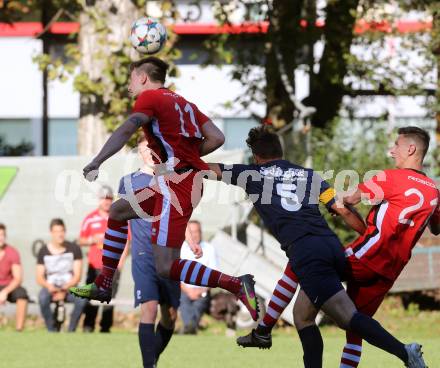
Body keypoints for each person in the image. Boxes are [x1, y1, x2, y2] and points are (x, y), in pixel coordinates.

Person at [208, 126, 428, 368]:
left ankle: (405, 352)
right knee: (302, 316)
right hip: (331, 245)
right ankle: (263, 330)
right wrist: (365, 231)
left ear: (257, 157)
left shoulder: (252, 173)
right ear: (280, 151)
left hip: (308, 251)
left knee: (348, 318)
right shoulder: (309, 176)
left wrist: (174, 160)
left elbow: (207, 170)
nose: (392, 150)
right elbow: (343, 209)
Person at [70, 56, 259, 322]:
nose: (129, 85)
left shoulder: (150, 98)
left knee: (165, 266)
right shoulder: (184, 103)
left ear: (143, 77)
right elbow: (217, 137)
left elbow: (127, 129)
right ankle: (104, 283)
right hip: (173, 182)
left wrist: (97, 160)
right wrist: (187, 157)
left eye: (131, 78)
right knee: (118, 210)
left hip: (176, 186)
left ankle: (236, 284)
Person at [118, 135, 181, 368]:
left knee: (170, 316)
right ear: (140, 152)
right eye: (146, 148)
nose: (151, 152)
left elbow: (179, 214)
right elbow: (120, 221)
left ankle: (151, 360)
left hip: (170, 255)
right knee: (150, 308)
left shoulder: (173, 179)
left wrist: (191, 239)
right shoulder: (129, 181)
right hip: (144, 254)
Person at [78, 185, 120, 333]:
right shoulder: (90, 218)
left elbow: (128, 240)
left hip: (112, 266)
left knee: (109, 298)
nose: (107, 201)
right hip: (94, 265)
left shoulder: (118, 217)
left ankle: (105, 328)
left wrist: (120, 262)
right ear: (99, 200)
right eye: (104, 198)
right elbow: (81, 240)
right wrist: (92, 239)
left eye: (109, 198)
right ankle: (88, 326)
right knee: (92, 296)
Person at [36, 218, 86, 332]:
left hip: (69, 287)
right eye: (56, 231)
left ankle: (71, 329)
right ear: (51, 233)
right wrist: (50, 287)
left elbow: (77, 276)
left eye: (62, 231)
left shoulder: (74, 249)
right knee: (42, 298)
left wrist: (64, 289)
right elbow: (39, 277)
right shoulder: (43, 251)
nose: (60, 234)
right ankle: (51, 329)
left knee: (82, 299)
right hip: (50, 287)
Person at [180, 220, 218, 334]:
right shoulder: (181, 248)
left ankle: (188, 328)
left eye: (197, 231)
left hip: (203, 289)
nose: (194, 235)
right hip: (184, 289)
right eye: (191, 232)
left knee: (199, 304)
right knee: (184, 303)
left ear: (201, 232)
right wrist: (188, 290)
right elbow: (176, 275)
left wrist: (201, 290)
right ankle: (191, 327)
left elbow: (214, 275)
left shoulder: (209, 249)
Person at [0, 223, 28, 331]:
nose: (0, 238)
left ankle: (19, 329)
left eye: (2, 235)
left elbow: (18, 278)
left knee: (22, 294)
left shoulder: (12, 252)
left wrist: (5, 292)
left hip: (8, 286)